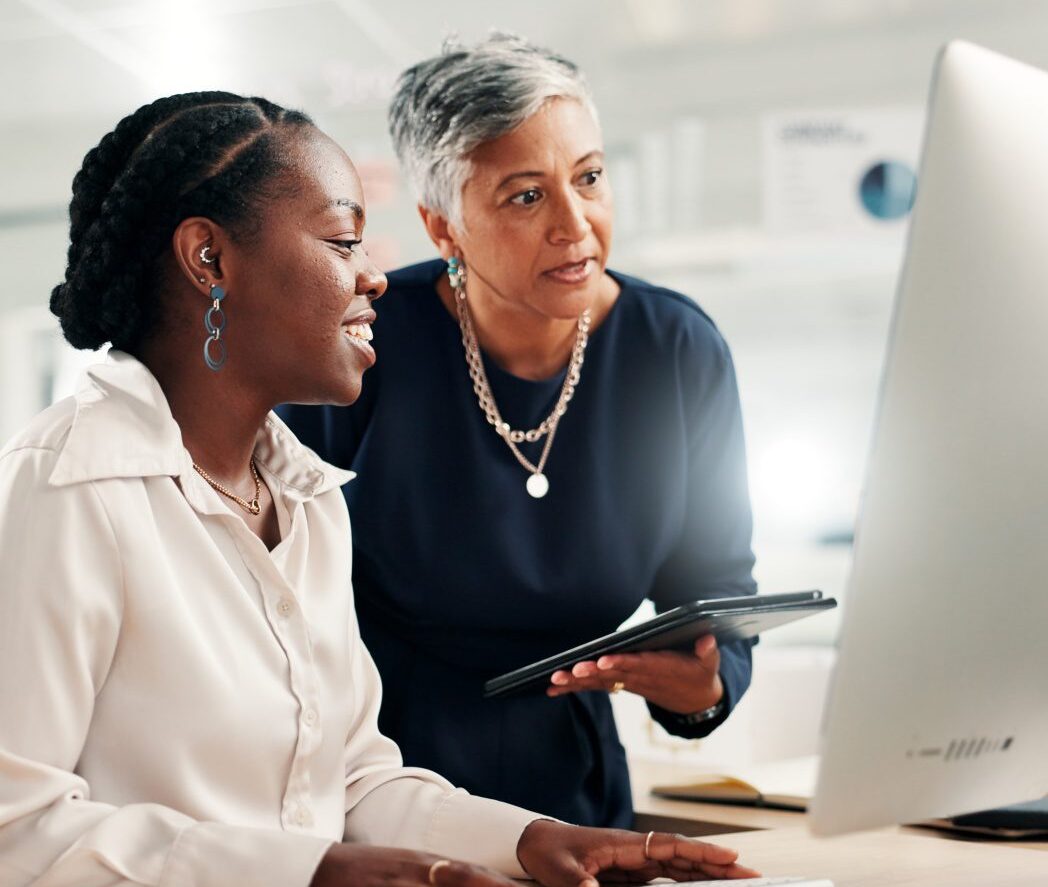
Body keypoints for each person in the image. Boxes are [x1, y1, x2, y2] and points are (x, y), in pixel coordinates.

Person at [0, 92, 759, 887]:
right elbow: (18, 828)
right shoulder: (66, 487)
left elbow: (354, 780)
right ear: (210, 260)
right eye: (341, 241)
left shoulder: (306, 495)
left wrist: (532, 837)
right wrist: (315, 870)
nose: (375, 276)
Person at [279, 35, 759, 829]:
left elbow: (718, 593)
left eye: (591, 178)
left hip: (575, 793)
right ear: (444, 227)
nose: (577, 225)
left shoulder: (676, 349)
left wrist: (705, 686)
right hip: (376, 787)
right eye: (526, 196)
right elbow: (274, 595)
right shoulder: (361, 341)